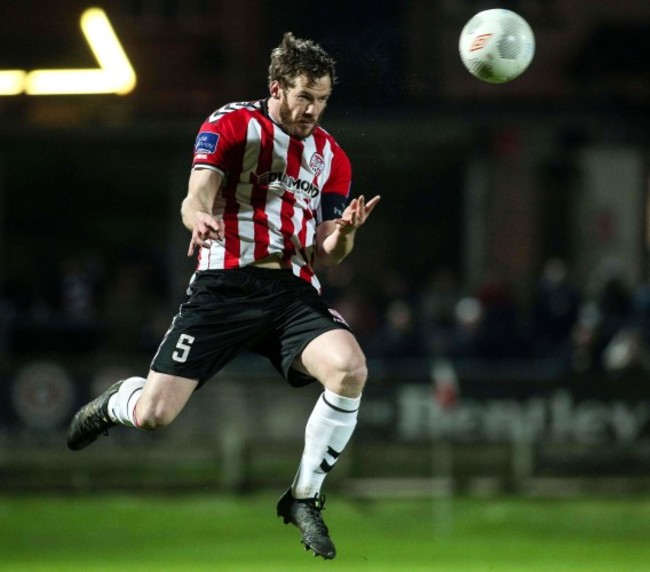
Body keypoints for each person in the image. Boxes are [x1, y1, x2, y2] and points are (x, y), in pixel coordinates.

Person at [66, 32, 380, 560]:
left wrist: (344, 232)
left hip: (291, 291)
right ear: (277, 87)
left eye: (323, 98)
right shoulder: (231, 123)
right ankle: (123, 398)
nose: (313, 110)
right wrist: (200, 216)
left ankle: (305, 496)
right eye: (304, 96)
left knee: (349, 368)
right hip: (224, 286)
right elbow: (196, 195)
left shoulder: (331, 157)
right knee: (154, 417)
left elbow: (327, 251)